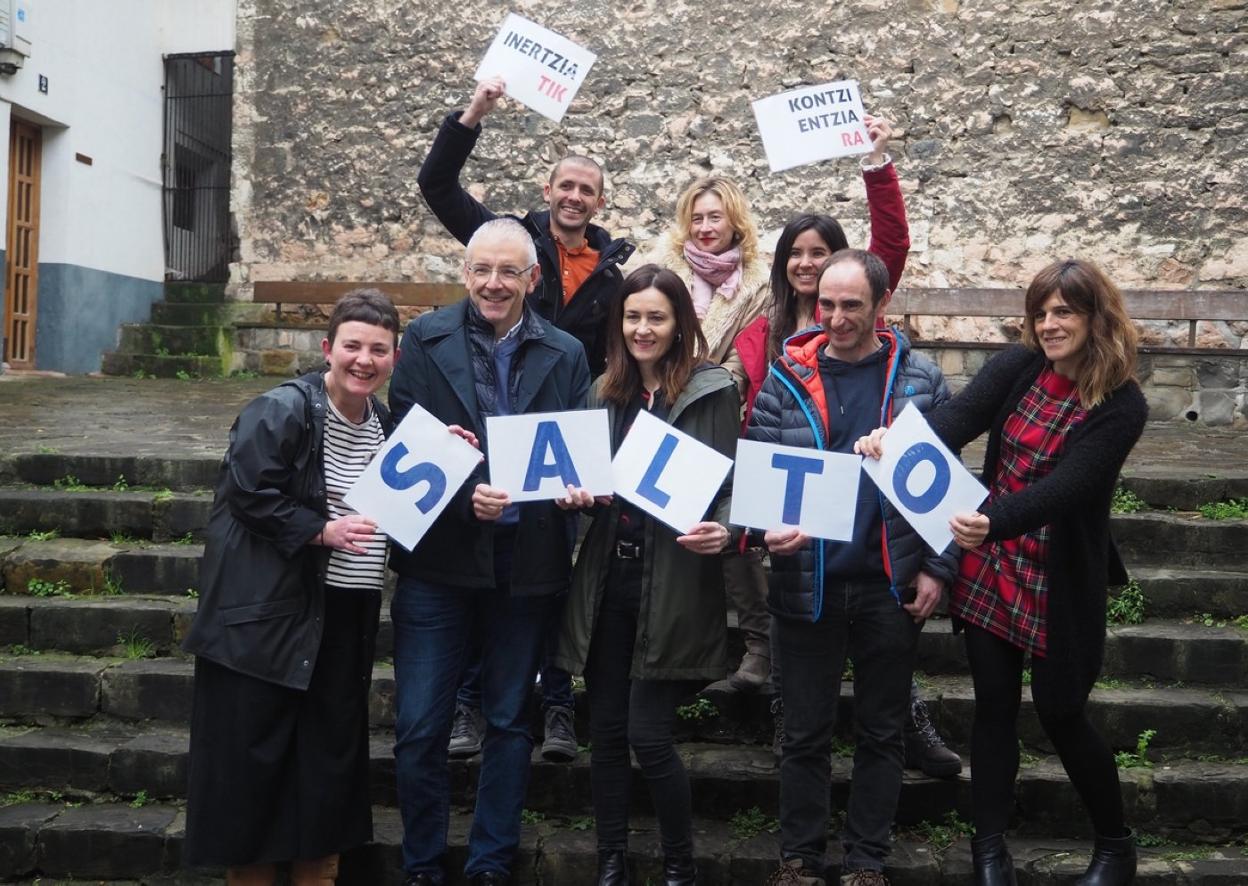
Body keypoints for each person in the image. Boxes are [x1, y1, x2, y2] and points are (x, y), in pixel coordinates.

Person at [857, 258, 1148, 886]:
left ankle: (1115, 847)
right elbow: (955, 422)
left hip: (1058, 575)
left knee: (1062, 712)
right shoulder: (1018, 367)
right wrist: (892, 442)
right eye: (1040, 313)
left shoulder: (1123, 404)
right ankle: (988, 852)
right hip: (992, 563)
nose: (1049, 325)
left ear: (1096, 318)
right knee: (993, 707)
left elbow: (1072, 486)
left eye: (1064, 312)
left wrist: (992, 518)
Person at [727, 119, 960, 777]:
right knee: (802, 704)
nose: (808, 265)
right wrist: (759, 520)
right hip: (800, 525)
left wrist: (876, 164)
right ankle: (793, 746)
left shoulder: (894, 352)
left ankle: (905, 729)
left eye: (820, 252)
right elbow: (744, 406)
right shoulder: (764, 334)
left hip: (876, 538)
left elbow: (890, 244)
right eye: (796, 254)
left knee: (883, 695)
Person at [418, 76, 633, 760]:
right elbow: (437, 185)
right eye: (564, 185)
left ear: (599, 202)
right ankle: (469, 703)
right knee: (484, 571)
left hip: (565, 438)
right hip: (490, 425)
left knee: (551, 577)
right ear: (547, 190)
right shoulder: (508, 244)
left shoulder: (614, 272)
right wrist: (475, 111)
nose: (574, 196)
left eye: (586, 189)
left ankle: (557, 704)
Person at [387, 218, 591, 886]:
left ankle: (490, 863)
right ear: (465, 273)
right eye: (482, 270)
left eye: (509, 272)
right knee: (420, 724)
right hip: (440, 561)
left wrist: (577, 493)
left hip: (525, 563)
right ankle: (422, 864)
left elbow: (576, 448)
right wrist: (462, 496)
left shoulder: (566, 351)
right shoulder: (424, 338)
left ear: (533, 278)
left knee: (507, 720)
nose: (494, 284)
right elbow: (404, 441)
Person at [751, 250, 959, 886]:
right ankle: (799, 860)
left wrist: (939, 568)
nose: (836, 318)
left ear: (882, 303)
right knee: (803, 734)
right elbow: (757, 479)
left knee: (882, 731)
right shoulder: (785, 378)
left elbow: (949, 481)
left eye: (851, 306)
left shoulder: (921, 380)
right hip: (806, 582)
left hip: (888, 584)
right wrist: (762, 531)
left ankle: (867, 861)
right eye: (827, 304)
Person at [182, 289, 403, 885]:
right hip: (268, 619)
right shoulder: (282, 409)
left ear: (395, 358)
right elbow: (249, 492)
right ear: (328, 348)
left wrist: (445, 454)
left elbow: (408, 497)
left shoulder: (386, 424)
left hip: (346, 615)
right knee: (252, 776)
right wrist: (320, 530)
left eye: (378, 350)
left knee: (326, 772)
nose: (364, 360)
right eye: (352, 346)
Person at [554, 264, 740, 886]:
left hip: (676, 584)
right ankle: (611, 859)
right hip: (609, 581)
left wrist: (726, 528)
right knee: (607, 734)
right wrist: (574, 496)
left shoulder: (712, 391)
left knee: (649, 734)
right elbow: (582, 480)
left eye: (656, 317)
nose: (643, 329)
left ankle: (679, 864)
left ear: (679, 323)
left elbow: (731, 485)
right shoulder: (603, 391)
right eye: (632, 316)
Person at [646, 174, 773, 692]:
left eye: (714, 217)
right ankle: (673, 644)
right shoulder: (662, 270)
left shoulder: (758, 285)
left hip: (723, 412)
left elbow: (745, 359)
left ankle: (759, 645)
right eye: (696, 217)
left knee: (729, 528)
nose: (704, 227)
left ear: (734, 221)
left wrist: (704, 390)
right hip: (660, 412)